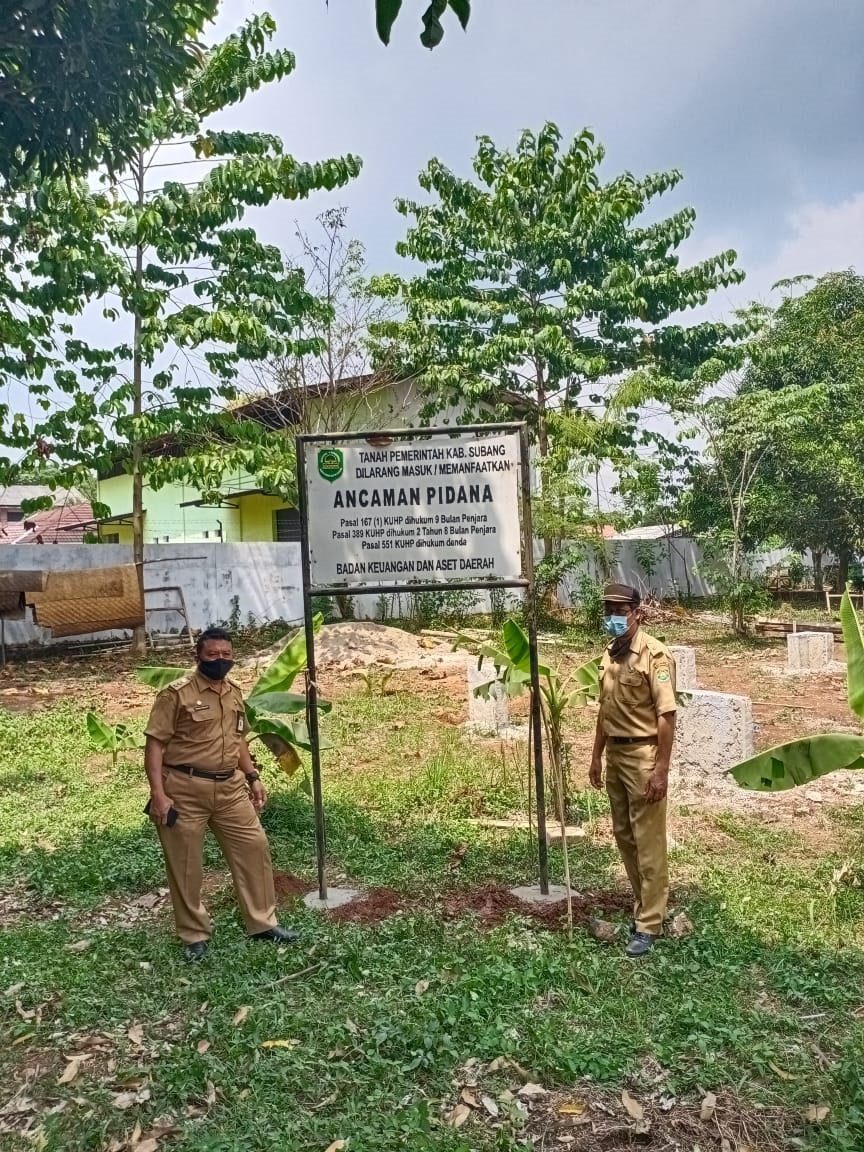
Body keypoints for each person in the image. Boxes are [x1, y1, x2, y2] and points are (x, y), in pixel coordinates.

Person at [144, 626, 298, 961]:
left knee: (254, 848)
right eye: (212, 654)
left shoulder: (233, 692)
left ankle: (262, 923)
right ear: (198, 655)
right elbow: (155, 744)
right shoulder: (176, 694)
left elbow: (239, 739)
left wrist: (253, 775)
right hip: (184, 790)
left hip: (230, 788)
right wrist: (158, 793)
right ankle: (194, 934)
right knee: (186, 865)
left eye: (226, 655)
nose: (220, 660)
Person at [589, 584, 677, 958]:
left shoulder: (654, 656)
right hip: (615, 756)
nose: (613, 615)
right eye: (608, 608)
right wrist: (596, 755)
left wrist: (661, 770)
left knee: (648, 842)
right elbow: (604, 711)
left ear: (637, 612)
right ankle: (644, 906)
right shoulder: (610, 654)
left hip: (643, 756)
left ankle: (650, 923)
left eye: (620, 609)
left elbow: (667, 716)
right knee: (625, 836)